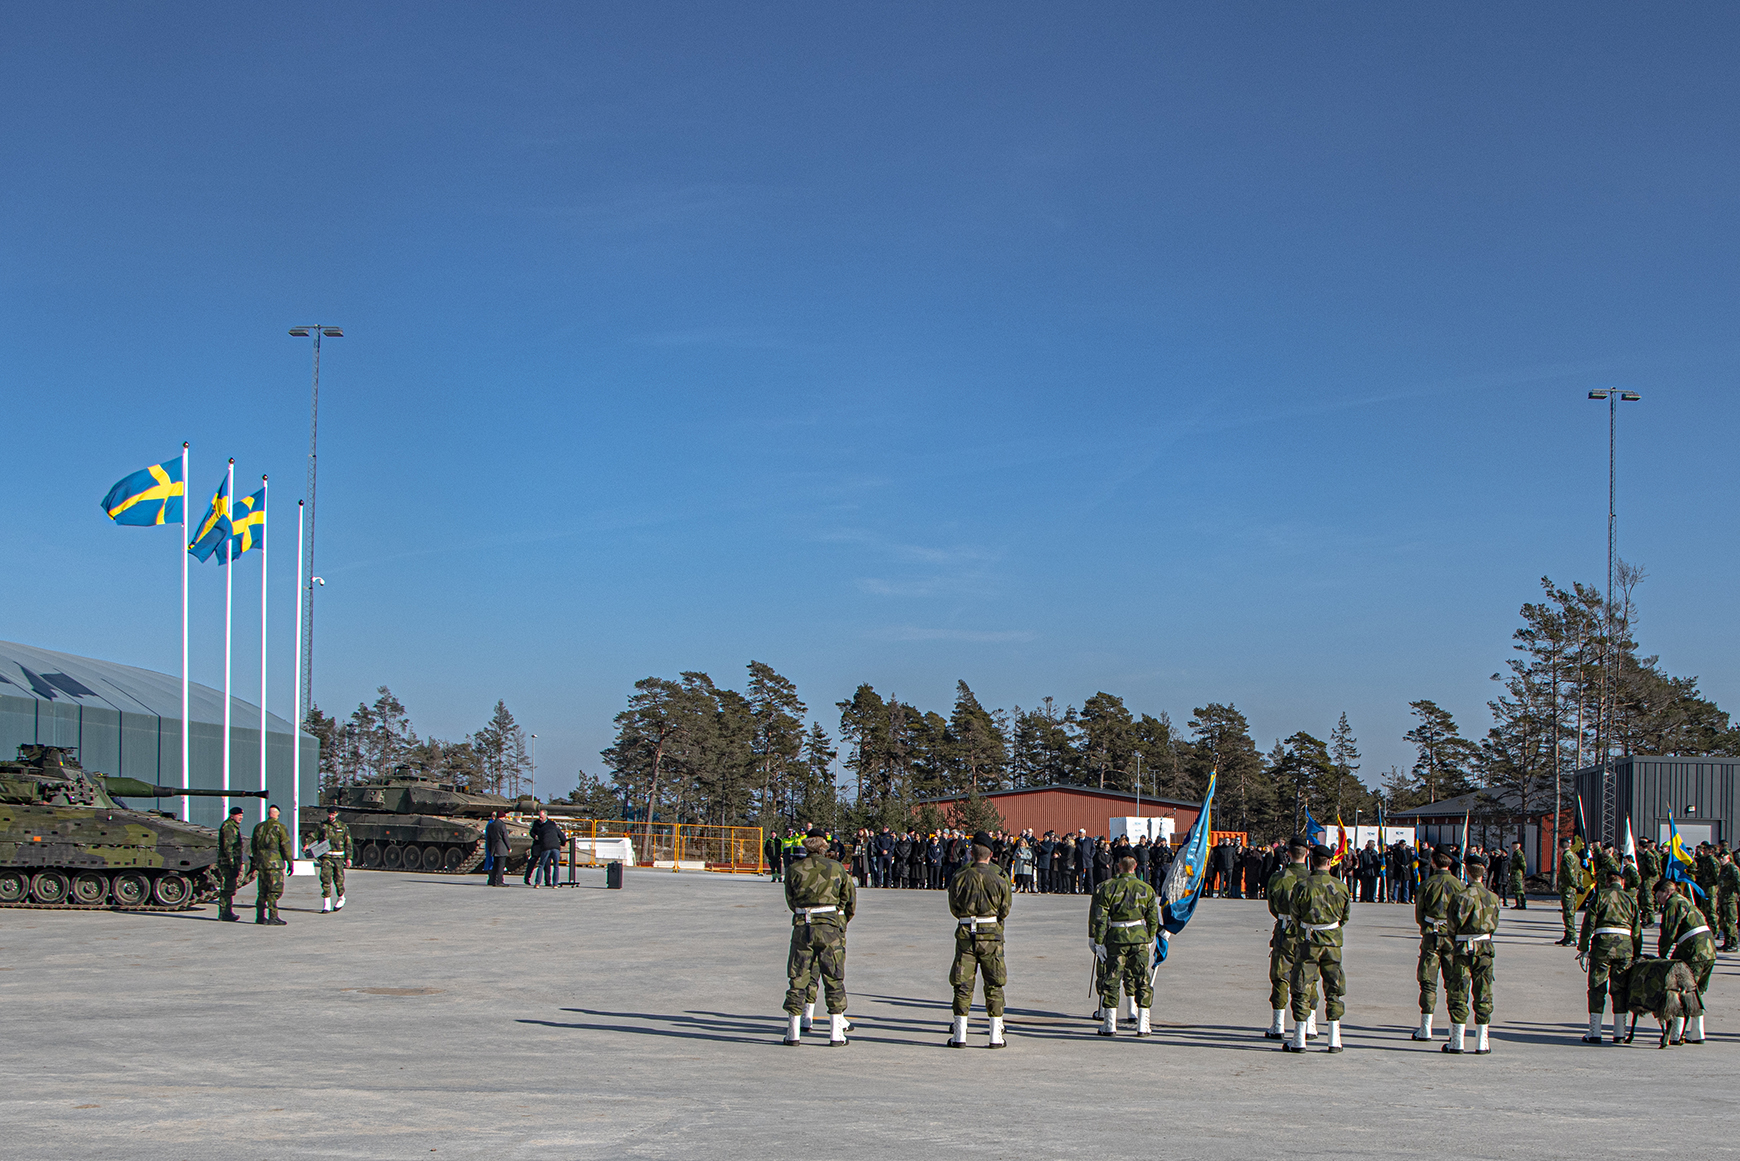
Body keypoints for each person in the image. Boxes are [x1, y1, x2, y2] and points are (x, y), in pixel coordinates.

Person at [783, 826, 856, 1046]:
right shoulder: (836, 868)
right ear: (824, 846)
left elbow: (791, 901)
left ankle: (793, 1031)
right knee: (834, 977)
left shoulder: (795, 868)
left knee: (798, 977)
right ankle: (836, 1032)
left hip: (803, 927)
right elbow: (848, 898)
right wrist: (837, 918)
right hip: (829, 928)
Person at [945, 832, 1013, 1047]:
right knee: (994, 983)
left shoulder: (960, 876)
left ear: (971, 854)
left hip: (966, 934)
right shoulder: (1000, 877)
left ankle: (960, 1035)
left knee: (962, 983)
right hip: (991, 936)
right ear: (991, 854)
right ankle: (995, 1035)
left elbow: (954, 907)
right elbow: (1005, 908)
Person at [1284, 844, 1351, 1053]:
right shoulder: (1341, 886)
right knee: (1334, 988)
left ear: (1312, 861)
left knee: (1302, 986)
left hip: (1308, 941)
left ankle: (1299, 1039)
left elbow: (1294, 915)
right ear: (1329, 862)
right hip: (1332, 944)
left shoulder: (1303, 885)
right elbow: (1345, 916)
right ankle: (1334, 1039)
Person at [1089, 854, 1161, 1037]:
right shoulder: (1147, 889)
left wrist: (1098, 941)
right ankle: (1143, 1025)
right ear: (1135, 866)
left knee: (1112, 979)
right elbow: (1153, 918)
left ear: (1119, 866)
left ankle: (1109, 1024)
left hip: (1116, 938)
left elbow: (1100, 918)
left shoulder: (1107, 887)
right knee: (1142, 979)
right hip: (1140, 939)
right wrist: (1151, 938)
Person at [1443, 852, 1500, 1054]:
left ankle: (1457, 1041)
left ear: (1467, 872)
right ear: (1483, 873)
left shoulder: (1460, 897)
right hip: (1484, 948)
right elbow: (1494, 925)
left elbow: (1451, 926)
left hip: (1463, 949)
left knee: (1459, 990)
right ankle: (1482, 1042)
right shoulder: (1493, 898)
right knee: (1484, 992)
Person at [1578, 865, 1638, 1044]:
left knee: (1597, 987)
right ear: (1622, 882)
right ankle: (1620, 1033)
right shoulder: (1630, 899)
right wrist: (1637, 951)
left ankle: (1595, 1031)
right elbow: (1636, 929)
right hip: (1625, 947)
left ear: (1607, 882)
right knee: (1620, 988)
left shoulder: (1600, 896)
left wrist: (1583, 947)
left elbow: (1589, 922)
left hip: (1602, 946)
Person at [1264, 837, 1314, 1041]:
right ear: (1307, 853)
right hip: (1309, 933)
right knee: (1309, 976)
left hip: (1285, 931)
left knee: (1280, 976)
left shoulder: (1279, 878)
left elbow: (1273, 907)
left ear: (1289, 854)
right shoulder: (1313, 878)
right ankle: (1309, 1025)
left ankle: (1278, 1025)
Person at [1412, 845, 1462, 1041]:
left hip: (1432, 938)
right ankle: (1454, 1030)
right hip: (1452, 939)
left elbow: (1419, 915)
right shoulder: (1458, 885)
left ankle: (1425, 1028)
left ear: (1433, 862)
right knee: (1453, 983)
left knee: (1428, 983)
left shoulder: (1427, 884)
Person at [1655, 878, 1714, 1043]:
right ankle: (1697, 1032)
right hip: (1708, 948)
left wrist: (1663, 956)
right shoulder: (1685, 900)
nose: (1658, 900)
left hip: (1694, 949)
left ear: (1666, 892)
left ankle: (1676, 1034)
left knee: (1682, 988)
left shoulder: (1673, 903)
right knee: (1695, 991)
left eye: (1659, 896)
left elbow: (1668, 931)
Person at [249, 804, 295, 925]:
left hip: (262, 862)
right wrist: (290, 862)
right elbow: (285, 845)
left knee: (262, 890)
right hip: (274, 863)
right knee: (274, 890)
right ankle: (273, 916)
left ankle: (260, 916)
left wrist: (257, 859)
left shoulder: (258, 827)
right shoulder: (280, 827)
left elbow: (253, 845)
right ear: (277, 814)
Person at [304, 805, 353, 912]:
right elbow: (314, 835)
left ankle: (341, 897)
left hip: (339, 857)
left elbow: (348, 843)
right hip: (326, 857)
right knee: (325, 879)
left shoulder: (343, 827)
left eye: (333, 814)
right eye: (330, 814)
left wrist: (349, 858)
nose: (331, 816)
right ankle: (326, 904)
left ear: (337, 814)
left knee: (339, 880)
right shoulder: (323, 826)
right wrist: (307, 844)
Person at [217, 805, 247, 922]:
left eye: (242, 815)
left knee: (229, 888)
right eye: (239, 815)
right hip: (227, 863)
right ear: (232, 815)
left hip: (231, 862)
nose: (241, 817)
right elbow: (228, 846)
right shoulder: (228, 827)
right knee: (226, 888)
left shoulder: (233, 826)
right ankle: (224, 913)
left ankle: (227, 912)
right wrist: (232, 863)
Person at [526, 810, 563, 887]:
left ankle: (547, 881)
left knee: (547, 863)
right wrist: (534, 836)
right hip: (538, 844)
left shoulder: (551, 823)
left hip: (547, 845)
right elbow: (532, 832)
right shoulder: (536, 823)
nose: (540, 818)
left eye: (541, 817)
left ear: (546, 816)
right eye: (539, 816)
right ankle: (527, 878)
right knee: (533, 860)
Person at [1556, 837, 1579, 946]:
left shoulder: (1567, 857)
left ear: (1560, 846)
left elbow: (1570, 873)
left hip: (1568, 889)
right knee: (1568, 912)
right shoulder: (1574, 856)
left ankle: (1571, 937)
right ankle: (1568, 935)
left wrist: (1576, 885)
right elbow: (1578, 872)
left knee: (1568, 913)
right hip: (1571, 888)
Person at [1716, 850, 1740, 952]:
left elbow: (1738, 883)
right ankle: (1726, 942)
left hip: (1730, 899)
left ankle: (1733, 944)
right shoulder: (1722, 869)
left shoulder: (1732, 868)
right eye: (1720, 858)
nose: (1721, 860)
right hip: (1722, 898)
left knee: (1731, 921)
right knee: (1723, 922)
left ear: (1728, 857)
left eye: (1723, 858)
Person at [484, 811, 510, 887]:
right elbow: (505, 837)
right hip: (501, 848)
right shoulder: (502, 825)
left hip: (494, 848)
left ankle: (492, 880)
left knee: (495, 865)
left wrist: (489, 847)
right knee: (500, 866)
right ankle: (499, 881)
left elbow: (488, 838)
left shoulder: (491, 825)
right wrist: (509, 847)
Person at [1508, 841, 1528, 910]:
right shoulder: (1515, 853)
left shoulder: (1519, 854)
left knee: (1519, 889)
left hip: (1517, 874)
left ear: (1516, 846)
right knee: (1515, 889)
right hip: (1514, 873)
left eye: (1513, 846)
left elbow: (1523, 864)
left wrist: (1523, 873)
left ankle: (1522, 904)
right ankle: (1518, 903)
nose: (1512, 848)